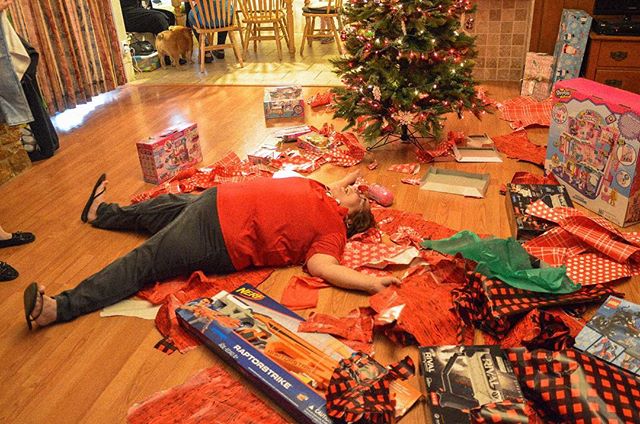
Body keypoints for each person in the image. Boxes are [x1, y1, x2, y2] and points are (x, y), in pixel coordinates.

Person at [24, 172, 400, 329]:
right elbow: (345, 178)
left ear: (354, 218)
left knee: (146, 260)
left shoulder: (332, 229)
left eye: (359, 197)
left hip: (221, 234)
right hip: (216, 200)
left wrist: (369, 285)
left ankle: (60, 307)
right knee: (162, 206)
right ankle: (102, 214)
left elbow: (323, 267)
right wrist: (360, 179)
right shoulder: (323, 192)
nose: (356, 190)